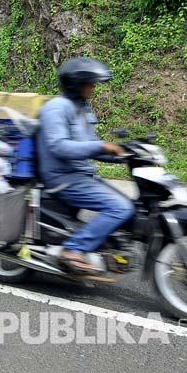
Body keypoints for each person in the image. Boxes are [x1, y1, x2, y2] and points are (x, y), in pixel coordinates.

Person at [36, 57, 134, 273]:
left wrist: (125, 154)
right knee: (120, 207)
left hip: (80, 175)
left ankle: (107, 248)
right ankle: (73, 249)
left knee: (131, 207)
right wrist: (102, 146)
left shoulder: (81, 110)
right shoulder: (57, 107)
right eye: (89, 83)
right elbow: (59, 146)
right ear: (75, 83)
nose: (93, 88)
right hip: (62, 178)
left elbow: (90, 147)